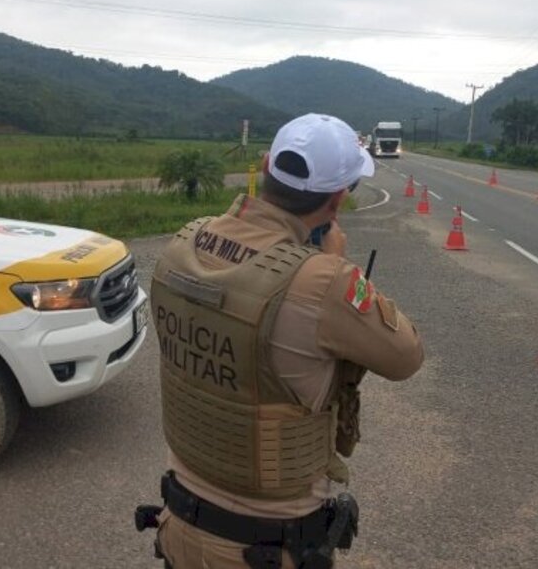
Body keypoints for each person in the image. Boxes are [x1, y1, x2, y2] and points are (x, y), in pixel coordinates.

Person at [136, 113, 424, 568]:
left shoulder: (183, 243)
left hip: (179, 524)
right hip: (268, 548)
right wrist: (331, 266)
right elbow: (407, 356)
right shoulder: (322, 280)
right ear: (338, 199)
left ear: (267, 166)